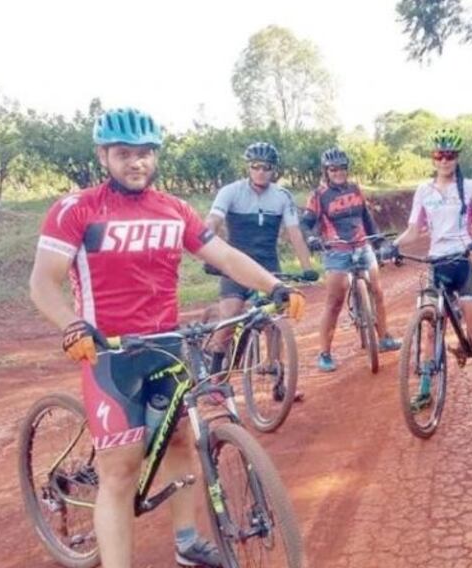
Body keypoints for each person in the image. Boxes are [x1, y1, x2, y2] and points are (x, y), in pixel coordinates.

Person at [28, 108, 305, 568]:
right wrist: (71, 325)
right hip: (111, 354)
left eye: (144, 153)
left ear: (155, 155)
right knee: (120, 470)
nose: (135, 162)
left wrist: (274, 286)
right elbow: (43, 283)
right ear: (103, 156)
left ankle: (187, 542)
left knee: (179, 439)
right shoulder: (76, 209)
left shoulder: (174, 209)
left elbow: (224, 255)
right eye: (123, 154)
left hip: (166, 345)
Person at [379, 130, 472, 415]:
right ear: (433, 158)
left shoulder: (471, 188)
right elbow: (413, 230)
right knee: (430, 329)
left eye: (450, 155)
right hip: (437, 264)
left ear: (457, 158)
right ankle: (424, 390)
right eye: (439, 155)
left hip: (464, 262)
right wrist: (393, 245)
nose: (445, 160)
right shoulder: (424, 191)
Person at [204, 141, 313, 363]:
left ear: (274, 170)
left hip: (268, 266)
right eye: (256, 166)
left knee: (274, 319)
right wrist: (208, 254)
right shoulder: (231, 191)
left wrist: (307, 268)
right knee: (231, 316)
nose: (261, 172)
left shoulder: (282, 196)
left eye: (266, 167)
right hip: (235, 265)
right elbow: (213, 221)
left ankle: (276, 370)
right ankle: (213, 374)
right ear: (248, 167)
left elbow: (295, 234)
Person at [300, 148, 401, 372]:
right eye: (333, 169)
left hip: (362, 245)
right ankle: (325, 353)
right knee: (334, 302)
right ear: (326, 171)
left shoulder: (356, 189)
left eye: (342, 168)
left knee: (378, 291)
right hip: (336, 251)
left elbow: (366, 217)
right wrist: (312, 238)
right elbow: (305, 223)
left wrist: (378, 242)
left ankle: (384, 338)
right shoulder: (319, 195)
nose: (338, 172)